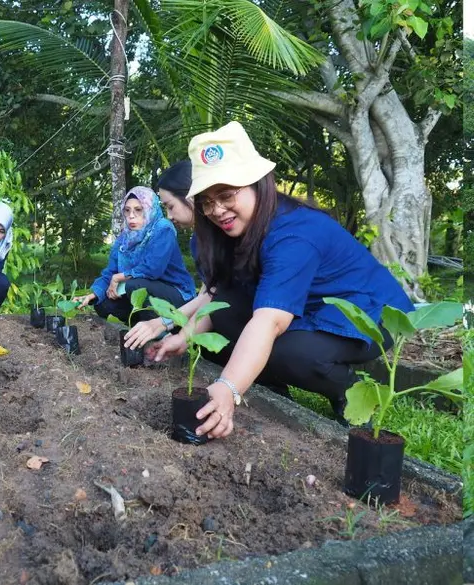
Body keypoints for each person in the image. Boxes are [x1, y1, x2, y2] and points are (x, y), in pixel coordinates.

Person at [148, 121, 414, 438]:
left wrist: (228, 387)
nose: (217, 210)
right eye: (207, 200)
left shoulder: (295, 234)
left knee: (286, 350)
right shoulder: (228, 233)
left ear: (258, 183)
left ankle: (348, 390)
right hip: (305, 308)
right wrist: (183, 336)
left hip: (366, 312)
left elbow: (270, 321)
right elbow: (221, 299)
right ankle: (271, 383)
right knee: (225, 322)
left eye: (227, 194)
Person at [123, 160, 214, 348]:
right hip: (199, 307)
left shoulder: (163, 229)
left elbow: (215, 296)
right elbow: (208, 293)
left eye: (170, 206)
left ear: (191, 197)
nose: (169, 216)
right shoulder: (198, 241)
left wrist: (165, 324)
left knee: (134, 284)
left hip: (185, 297)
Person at [73, 186, 196, 324]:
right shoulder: (124, 239)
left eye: (138, 210)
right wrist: (94, 293)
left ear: (150, 210)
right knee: (102, 303)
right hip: (142, 294)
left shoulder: (163, 228)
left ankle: (159, 331)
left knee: (135, 285)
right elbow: (110, 272)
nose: (131, 216)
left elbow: (152, 269)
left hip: (177, 295)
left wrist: (119, 277)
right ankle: (137, 325)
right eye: (127, 210)